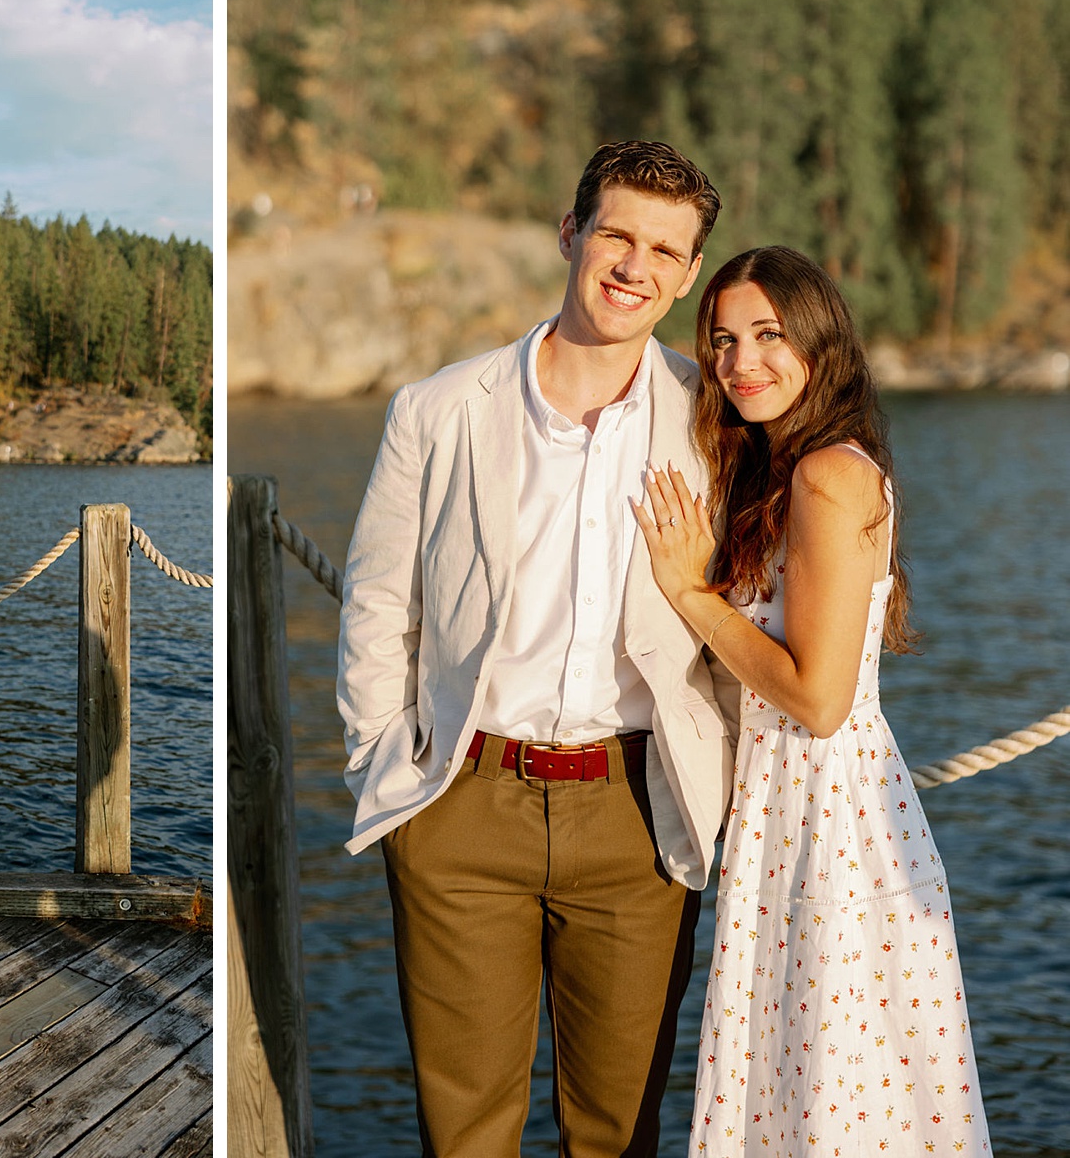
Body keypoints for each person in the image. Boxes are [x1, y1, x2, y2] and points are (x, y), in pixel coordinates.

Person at [337, 140, 738, 1156]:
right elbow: (379, 603)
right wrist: (390, 767)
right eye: (613, 232)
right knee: (464, 1131)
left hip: (637, 814)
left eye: (662, 248)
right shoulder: (436, 409)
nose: (631, 265)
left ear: (687, 274)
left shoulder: (714, 421)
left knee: (614, 1131)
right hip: (460, 805)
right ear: (569, 233)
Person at [629, 246, 990, 1154]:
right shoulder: (784, 467)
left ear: (819, 342)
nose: (739, 360)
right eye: (721, 340)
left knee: (835, 1095)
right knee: (804, 1091)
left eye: (767, 335)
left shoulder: (830, 475)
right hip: (791, 810)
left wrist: (691, 594)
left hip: (829, 818)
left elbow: (817, 698)